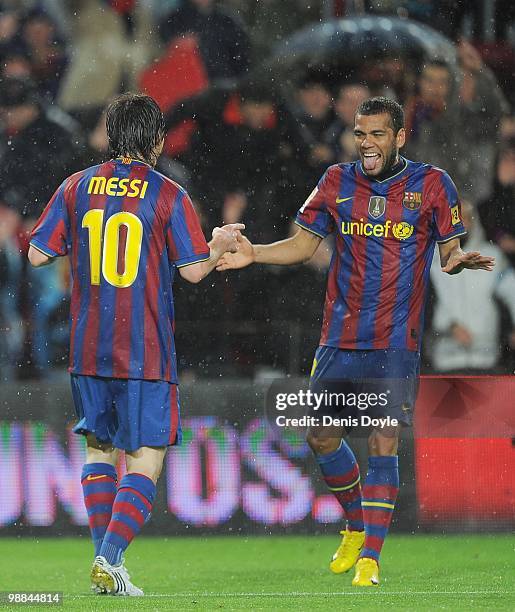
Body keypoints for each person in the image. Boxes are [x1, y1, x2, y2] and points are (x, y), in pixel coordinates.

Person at [216, 97, 495, 587]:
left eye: (377, 135)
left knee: (383, 439)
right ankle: (356, 525)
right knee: (321, 437)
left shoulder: (433, 184)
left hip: (394, 340)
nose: (366, 144)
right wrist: (253, 253)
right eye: (360, 134)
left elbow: (449, 249)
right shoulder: (336, 181)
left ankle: (371, 559)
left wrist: (455, 261)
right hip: (339, 337)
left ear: (399, 137)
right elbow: (305, 245)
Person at [28, 93, 242, 596]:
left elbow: (38, 256)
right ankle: (110, 556)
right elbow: (191, 272)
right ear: (156, 140)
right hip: (144, 348)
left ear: (110, 134)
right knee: (146, 458)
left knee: (99, 452)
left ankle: (107, 568)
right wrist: (217, 246)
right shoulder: (168, 193)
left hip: (87, 349)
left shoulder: (77, 185)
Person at [429, 200, 515, 373]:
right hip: (445, 357)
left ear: (473, 221)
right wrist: (449, 326)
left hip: (486, 356)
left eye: (465, 218)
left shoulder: (491, 255)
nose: (460, 223)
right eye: (455, 218)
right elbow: (426, 302)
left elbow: (512, 291)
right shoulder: (431, 260)